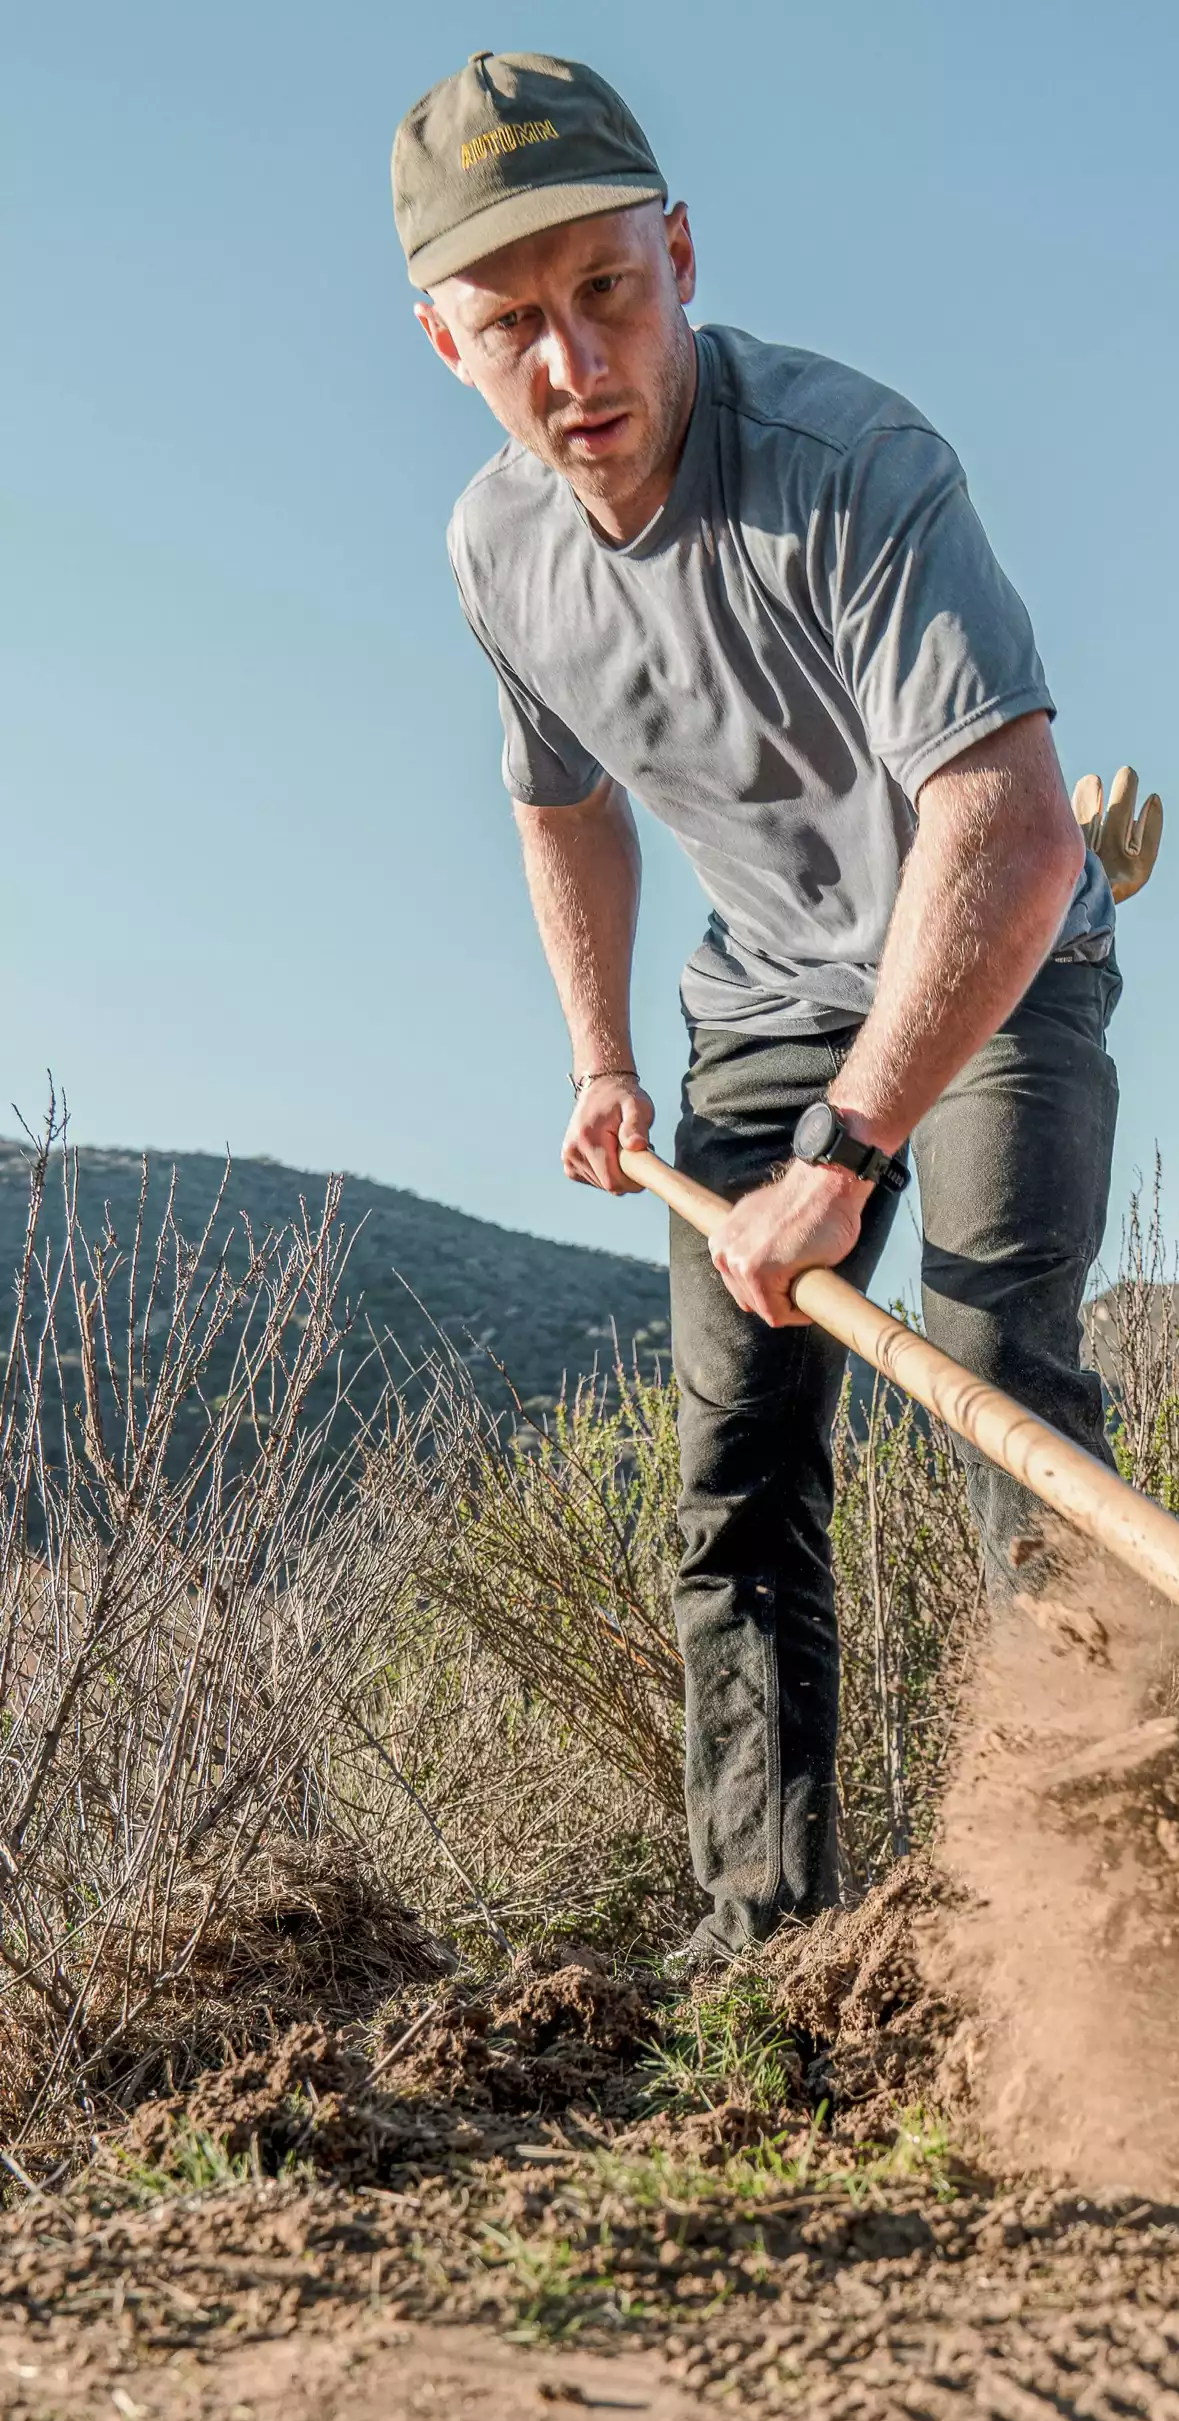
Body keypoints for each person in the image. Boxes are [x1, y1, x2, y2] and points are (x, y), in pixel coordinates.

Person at [394, 49, 1138, 1961]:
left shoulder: (852, 467)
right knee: (731, 1474)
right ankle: (773, 1954)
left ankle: (1100, 1898)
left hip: (991, 956)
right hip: (764, 1003)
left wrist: (849, 1149)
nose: (575, 364)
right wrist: (604, 1056)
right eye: (513, 324)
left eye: (606, 290)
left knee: (995, 1371)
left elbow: (1013, 828)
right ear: (443, 342)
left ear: (681, 254)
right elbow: (562, 796)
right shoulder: (496, 552)